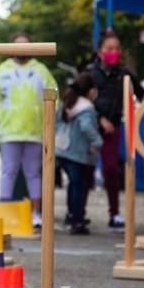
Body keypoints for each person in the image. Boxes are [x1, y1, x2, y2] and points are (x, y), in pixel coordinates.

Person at [0, 33, 57, 229]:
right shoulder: (1, 71)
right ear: (11, 48)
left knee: (34, 174)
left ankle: (36, 214)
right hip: (9, 132)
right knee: (8, 173)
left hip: (35, 132)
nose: (22, 49)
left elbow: (53, 97)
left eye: (26, 46)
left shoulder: (41, 70)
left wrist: (51, 129)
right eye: (18, 46)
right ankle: (6, 214)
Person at [87, 31, 144, 231]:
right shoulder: (90, 73)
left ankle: (115, 214)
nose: (114, 52)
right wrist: (99, 118)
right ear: (100, 51)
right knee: (84, 170)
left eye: (117, 49)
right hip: (89, 127)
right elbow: (78, 99)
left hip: (114, 128)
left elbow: (143, 95)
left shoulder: (124, 74)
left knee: (111, 170)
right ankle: (77, 214)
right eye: (109, 49)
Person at [56, 72, 103, 235]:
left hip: (62, 150)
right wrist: (97, 142)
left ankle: (71, 215)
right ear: (90, 91)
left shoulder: (67, 102)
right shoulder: (87, 108)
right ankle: (78, 220)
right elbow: (86, 127)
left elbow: (55, 122)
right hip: (78, 153)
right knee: (79, 186)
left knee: (73, 184)